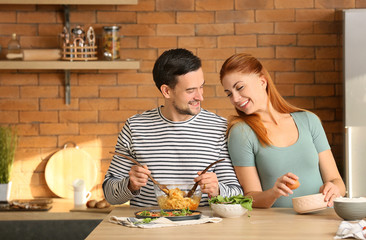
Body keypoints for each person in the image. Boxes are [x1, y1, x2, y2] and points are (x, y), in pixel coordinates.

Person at [103, 48, 243, 207]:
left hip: (202, 228)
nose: (200, 97)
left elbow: (237, 193)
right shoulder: (135, 127)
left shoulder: (219, 128)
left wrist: (218, 190)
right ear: (167, 91)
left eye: (201, 87)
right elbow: (110, 195)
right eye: (191, 90)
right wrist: (130, 185)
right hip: (148, 228)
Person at [219, 53, 346, 208]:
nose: (236, 99)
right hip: (278, 225)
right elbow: (250, 198)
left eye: (240, 88)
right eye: (229, 94)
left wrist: (334, 188)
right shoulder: (241, 133)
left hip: (322, 218)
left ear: (262, 81)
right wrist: (274, 192)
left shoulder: (309, 120)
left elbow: (337, 182)